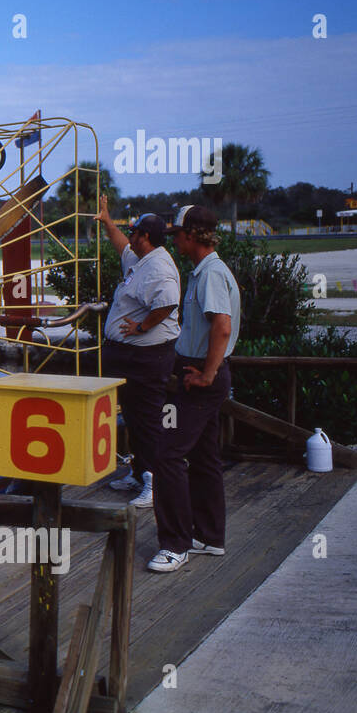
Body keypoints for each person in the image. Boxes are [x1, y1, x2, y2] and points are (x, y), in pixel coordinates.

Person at [148, 205, 241, 573]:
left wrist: (207, 374)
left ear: (192, 235)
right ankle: (209, 536)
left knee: (167, 455)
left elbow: (221, 327)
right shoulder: (205, 272)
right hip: (200, 372)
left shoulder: (211, 274)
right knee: (203, 458)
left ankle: (175, 544)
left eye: (178, 236)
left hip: (202, 376)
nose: (176, 243)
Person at [95, 195, 181, 508]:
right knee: (132, 416)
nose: (129, 235)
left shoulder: (159, 268)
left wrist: (142, 327)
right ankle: (139, 471)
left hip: (147, 358)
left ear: (145, 237)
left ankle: (155, 481)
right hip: (128, 356)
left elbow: (168, 302)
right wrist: (107, 222)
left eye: (134, 232)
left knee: (147, 420)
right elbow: (123, 248)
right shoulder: (142, 259)